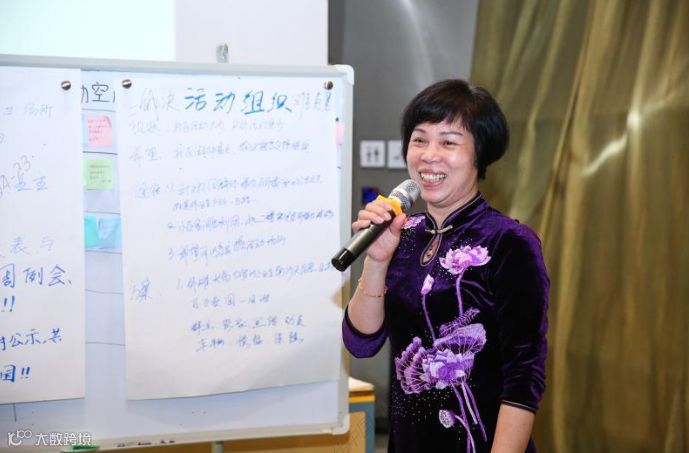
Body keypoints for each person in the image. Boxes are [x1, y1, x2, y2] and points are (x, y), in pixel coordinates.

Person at [342, 79, 549, 453]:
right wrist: (376, 260)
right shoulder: (403, 233)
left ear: (479, 154)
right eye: (419, 139)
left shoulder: (509, 242)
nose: (429, 155)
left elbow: (523, 377)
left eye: (449, 142)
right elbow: (361, 343)